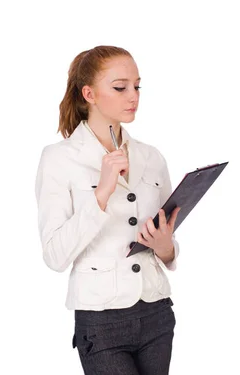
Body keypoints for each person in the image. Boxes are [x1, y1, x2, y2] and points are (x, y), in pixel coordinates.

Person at [35, 45, 181, 375]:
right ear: (89, 93)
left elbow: (167, 237)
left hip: (156, 311)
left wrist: (167, 249)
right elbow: (55, 256)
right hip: (101, 320)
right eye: (120, 87)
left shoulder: (151, 156)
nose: (133, 96)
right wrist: (100, 194)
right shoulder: (59, 159)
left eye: (137, 86)